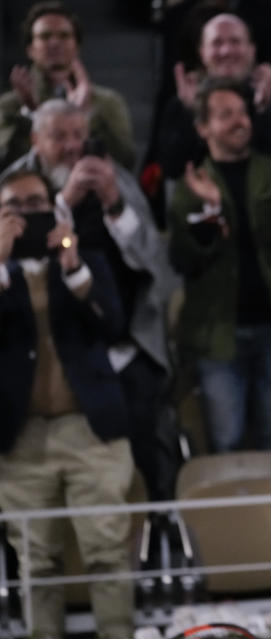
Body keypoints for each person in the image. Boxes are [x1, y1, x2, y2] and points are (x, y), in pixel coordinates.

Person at [1, 98, 179, 499]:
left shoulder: (115, 180)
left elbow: (154, 261)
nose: (72, 146)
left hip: (121, 347)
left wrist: (114, 202)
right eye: (59, 136)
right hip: (40, 357)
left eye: (79, 135)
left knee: (145, 469)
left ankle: (152, 550)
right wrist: (61, 202)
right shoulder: (16, 185)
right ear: (35, 139)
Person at [0, 168, 135, 639]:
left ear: (54, 208)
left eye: (37, 203)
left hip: (90, 430)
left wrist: (73, 268)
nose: (27, 214)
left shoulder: (86, 259)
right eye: (13, 206)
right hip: (20, 440)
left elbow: (113, 325)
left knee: (108, 551)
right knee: (35, 560)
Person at [167, 78, 271, 453]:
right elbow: (183, 259)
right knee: (226, 440)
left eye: (242, 113)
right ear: (203, 128)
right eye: (225, 114)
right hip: (218, 334)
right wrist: (212, 213)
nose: (239, 121)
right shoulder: (191, 185)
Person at [155, 12, 271, 183]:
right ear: (201, 52)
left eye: (235, 42)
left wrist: (266, 110)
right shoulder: (181, 104)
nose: (226, 51)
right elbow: (172, 169)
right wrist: (193, 113)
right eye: (217, 43)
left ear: (252, 50)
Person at [0, 1, 136, 172]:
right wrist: (31, 115)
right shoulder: (10, 105)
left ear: (77, 46)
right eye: (45, 36)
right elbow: (4, 163)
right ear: (30, 49)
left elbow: (125, 160)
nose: (55, 43)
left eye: (64, 36)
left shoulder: (107, 101)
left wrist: (85, 117)